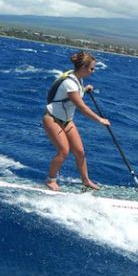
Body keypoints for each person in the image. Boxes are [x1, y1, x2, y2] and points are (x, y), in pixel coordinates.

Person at [43, 51, 110, 191]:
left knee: (79, 151)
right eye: (92, 68)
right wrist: (100, 120)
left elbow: (72, 95)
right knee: (63, 151)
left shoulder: (77, 79)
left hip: (67, 120)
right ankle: (50, 180)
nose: (93, 71)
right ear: (83, 67)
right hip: (52, 119)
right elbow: (82, 107)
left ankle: (85, 180)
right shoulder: (70, 83)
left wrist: (85, 89)